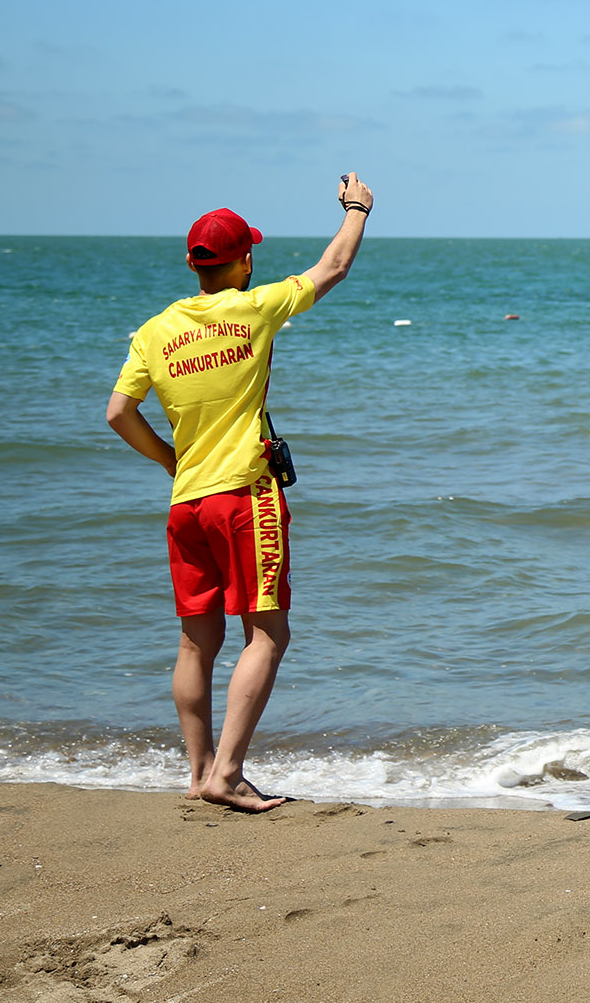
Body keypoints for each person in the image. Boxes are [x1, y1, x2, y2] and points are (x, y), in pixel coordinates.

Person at [105, 174, 374, 812]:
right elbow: (333, 266)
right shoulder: (252, 309)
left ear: (196, 264)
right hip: (245, 499)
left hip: (187, 503)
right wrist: (357, 209)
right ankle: (228, 773)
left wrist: (173, 461)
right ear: (245, 261)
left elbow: (119, 412)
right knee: (268, 634)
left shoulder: (155, 331)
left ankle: (200, 773)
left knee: (197, 641)